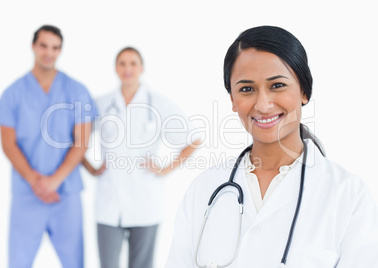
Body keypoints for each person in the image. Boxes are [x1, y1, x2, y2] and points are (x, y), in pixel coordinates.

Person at [166, 26, 378, 267]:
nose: (263, 105)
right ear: (233, 101)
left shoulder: (348, 195)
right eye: (247, 89)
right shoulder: (204, 189)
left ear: (304, 91)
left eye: (277, 85)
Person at [82, 47, 201, 268]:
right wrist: (89, 167)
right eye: (122, 63)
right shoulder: (102, 103)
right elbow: (75, 137)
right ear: (115, 68)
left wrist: (166, 168)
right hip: (109, 202)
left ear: (142, 68)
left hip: (145, 201)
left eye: (133, 63)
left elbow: (193, 139)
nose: (127, 68)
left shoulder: (158, 103)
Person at [0, 25, 97, 268]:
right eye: (44, 45)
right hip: (27, 193)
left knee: (74, 262)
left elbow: (81, 143)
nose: (49, 52)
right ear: (33, 46)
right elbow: (8, 144)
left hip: (66, 193)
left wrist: (54, 181)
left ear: (60, 50)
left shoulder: (76, 91)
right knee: (18, 262)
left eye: (55, 47)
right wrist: (35, 181)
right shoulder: (13, 93)